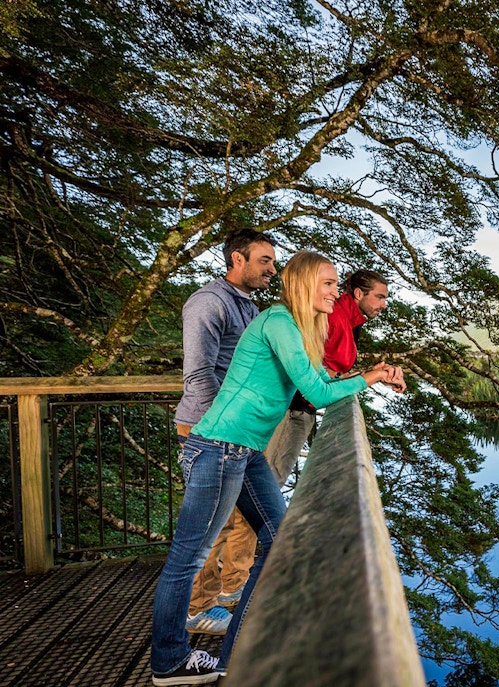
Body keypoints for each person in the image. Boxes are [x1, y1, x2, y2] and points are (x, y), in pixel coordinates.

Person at [150, 251, 406, 686]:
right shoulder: (279, 322)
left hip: (242, 451)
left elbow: (321, 384)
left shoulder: (301, 327)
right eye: (328, 284)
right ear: (305, 284)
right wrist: (373, 379)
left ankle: (235, 654)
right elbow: (316, 392)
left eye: (336, 283)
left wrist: (371, 372)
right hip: (219, 447)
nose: (335, 291)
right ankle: (169, 662)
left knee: (277, 541)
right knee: (186, 559)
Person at [173, 228, 277, 636]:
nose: (272, 268)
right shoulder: (208, 303)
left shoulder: (247, 307)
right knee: (211, 528)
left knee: (246, 523)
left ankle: (229, 592)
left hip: (238, 434)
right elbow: (199, 375)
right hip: (210, 431)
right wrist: (227, 423)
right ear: (238, 259)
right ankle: (195, 610)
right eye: (264, 260)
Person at [262, 269, 391, 484]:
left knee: (267, 481)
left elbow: (326, 371)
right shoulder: (334, 318)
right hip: (292, 410)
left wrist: (375, 374)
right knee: (269, 481)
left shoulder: (348, 321)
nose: (383, 305)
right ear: (359, 294)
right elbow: (310, 368)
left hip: (300, 406)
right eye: (379, 297)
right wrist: (371, 376)